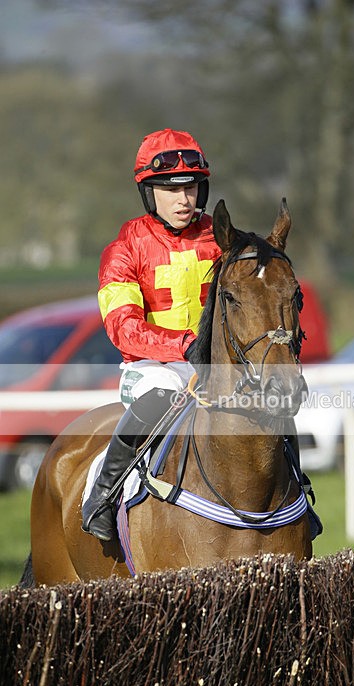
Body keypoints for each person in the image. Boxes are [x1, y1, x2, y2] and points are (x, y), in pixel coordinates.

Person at [82, 128, 221, 541]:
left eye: (192, 187)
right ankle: (101, 498)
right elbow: (122, 328)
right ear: (149, 192)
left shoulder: (220, 239)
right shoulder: (123, 248)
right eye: (170, 189)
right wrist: (184, 346)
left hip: (210, 366)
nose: (184, 199)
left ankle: (297, 495)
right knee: (163, 397)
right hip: (152, 368)